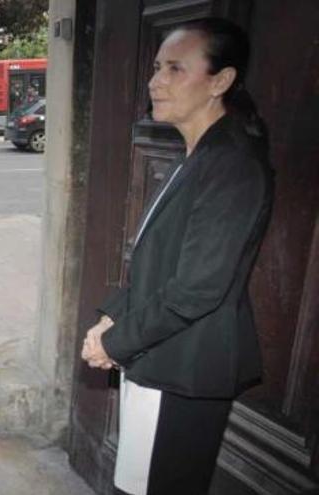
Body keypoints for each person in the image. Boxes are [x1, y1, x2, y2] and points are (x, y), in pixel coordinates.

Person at [80, 18, 273, 495]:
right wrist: (111, 317)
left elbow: (197, 288)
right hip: (160, 354)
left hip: (186, 367)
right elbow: (158, 262)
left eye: (174, 69)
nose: (155, 81)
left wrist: (116, 342)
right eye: (155, 67)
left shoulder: (231, 164)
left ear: (220, 82)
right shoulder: (199, 154)